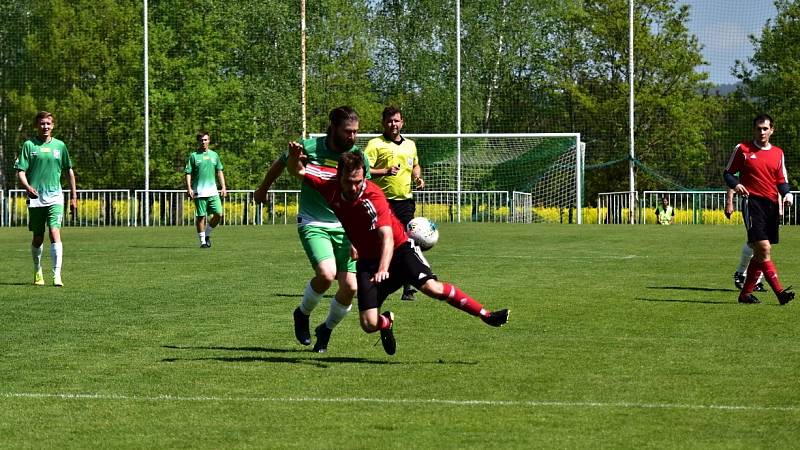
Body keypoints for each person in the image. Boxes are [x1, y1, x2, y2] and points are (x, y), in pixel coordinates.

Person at [287, 149, 509, 355]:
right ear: (338, 176)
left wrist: (384, 268)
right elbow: (297, 170)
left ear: (364, 177)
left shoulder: (373, 196)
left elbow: (386, 236)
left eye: (358, 181)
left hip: (400, 250)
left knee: (431, 288)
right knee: (368, 324)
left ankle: (486, 315)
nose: (354, 187)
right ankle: (386, 322)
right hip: (368, 261)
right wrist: (294, 157)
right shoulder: (327, 182)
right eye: (348, 181)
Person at [253, 106, 366, 353]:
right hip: (314, 221)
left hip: (345, 226)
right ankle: (302, 314)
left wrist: (359, 236)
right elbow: (284, 165)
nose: (353, 137)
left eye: (356, 132)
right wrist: (263, 188)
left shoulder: (357, 156)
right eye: (348, 132)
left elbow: (361, 197)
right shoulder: (310, 147)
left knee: (350, 288)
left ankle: (325, 330)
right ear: (334, 127)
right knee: (327, 274)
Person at [723, 113, 794, 305]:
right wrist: (736, 185)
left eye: (765, 128)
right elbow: (728, 174)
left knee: (760, 253)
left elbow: (781, 180)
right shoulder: (743, 149)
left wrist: (787, 194)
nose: (762, 132)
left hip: (771, 205)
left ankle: (745, 294)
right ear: (754, 130)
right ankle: (780, 292)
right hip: (751, 202)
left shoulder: (778, 153)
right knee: (764, 247)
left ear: (772, 130)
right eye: (758, 128)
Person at [365, 106, 425, 301]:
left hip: (405, 202)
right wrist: (384, 171)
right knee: (382, 241)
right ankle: (375, 280)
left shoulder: (410, 145)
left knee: (408, 242)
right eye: (390, 121)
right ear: (384, 123)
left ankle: (408, 288)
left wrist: (418, 177)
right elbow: (363, 168)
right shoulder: (375, 144)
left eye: (397, 120)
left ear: (402, 122)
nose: (393, 124)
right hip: (382, 202)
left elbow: (415, 164)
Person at [14, 111, 77, 287]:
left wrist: (74, 197)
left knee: (54, 231)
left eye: (48, 123)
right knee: (38, 237)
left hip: (56, 197)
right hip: (35, 199)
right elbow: (20, 171)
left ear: (53, 125)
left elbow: (69, 171)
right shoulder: (29, 145)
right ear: (37, 125)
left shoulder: (60, 146)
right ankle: (37, 270)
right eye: (42, 123)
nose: (45, 127)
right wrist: (27, 187)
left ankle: (57, 275)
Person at [185, 131, 227, 248]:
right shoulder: (193, 156)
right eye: (201, 140)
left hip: (213, 192)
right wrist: (189, 188)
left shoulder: (214, 155)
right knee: (201, 217)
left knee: (219, 214)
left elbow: (219, 171)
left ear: (209, 141)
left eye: (205, 140)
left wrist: (223, 186)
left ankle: (207, 234)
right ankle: (203, 242)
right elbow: (188, 173)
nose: (203, 142)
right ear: (198, 141)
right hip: (199, 192)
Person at [725, 189, 765, 292]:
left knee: (765, 243)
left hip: (768, 203)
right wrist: (729, 202)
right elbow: (732, 181)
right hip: (751, 202)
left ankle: (755, 280)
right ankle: (742, 273)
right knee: (755, 241)